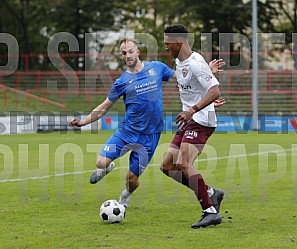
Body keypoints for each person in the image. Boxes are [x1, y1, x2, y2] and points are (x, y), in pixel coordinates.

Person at [69, 38, 225, 211]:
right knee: (100, 162)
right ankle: (108, 166)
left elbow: (184, 79)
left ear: (138, 52)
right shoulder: (121, 82)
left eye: (130, 51)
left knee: (132, 179)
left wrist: (206, 81)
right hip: (127, 132)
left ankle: (124, 198)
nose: (127, 55)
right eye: (123, 53)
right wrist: (83, 121)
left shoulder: (156, 68)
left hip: (149, 137)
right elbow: (104, 107)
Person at [161, 24, 224, 229]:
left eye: (168, 43)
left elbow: (214, 92)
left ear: (178, 42)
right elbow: (200, 85)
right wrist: (209, 72)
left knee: (184, 163)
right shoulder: (183, 62)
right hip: (190, 119)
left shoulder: (195, 63)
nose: (166, 47)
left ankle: (210, 211)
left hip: (201, 120)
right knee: (168, 166)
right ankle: (210, 193)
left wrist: (192, 110)